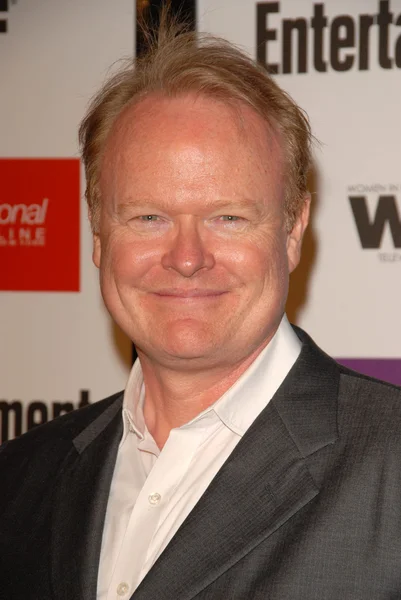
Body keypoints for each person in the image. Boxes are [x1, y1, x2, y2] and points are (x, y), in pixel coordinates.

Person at [1, 17, 401, 600]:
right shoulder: (21, 476)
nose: (187, 258)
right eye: (148, 218)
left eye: (228, 217)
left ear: (293, 230)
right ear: (96, 233)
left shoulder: (391, 467)